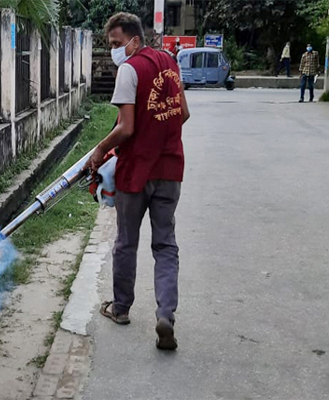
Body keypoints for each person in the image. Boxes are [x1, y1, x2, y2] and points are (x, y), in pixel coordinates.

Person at [90, 12, 190, 351]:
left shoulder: (129, 70)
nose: (115, 50)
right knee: (165, 246)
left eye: (117, 43)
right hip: (170, 170)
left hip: (136, 173)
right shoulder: (170, 64)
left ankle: (121, 309)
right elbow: (184, 113)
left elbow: (127, 128)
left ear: (134, 39)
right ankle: (165, 315)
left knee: (126, 243)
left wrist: (101, 148)